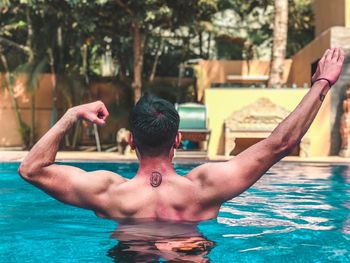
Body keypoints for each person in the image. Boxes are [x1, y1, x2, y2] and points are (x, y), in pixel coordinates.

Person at [18, 48, 345, 222]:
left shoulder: (108, 192)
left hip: (130, 249)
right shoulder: (206, 187)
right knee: (190, 249)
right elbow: (282, 143)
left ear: (131, 140)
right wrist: (322, 83)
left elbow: (31, 169)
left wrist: (72, 114)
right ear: (177, 140)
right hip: (192, 245)